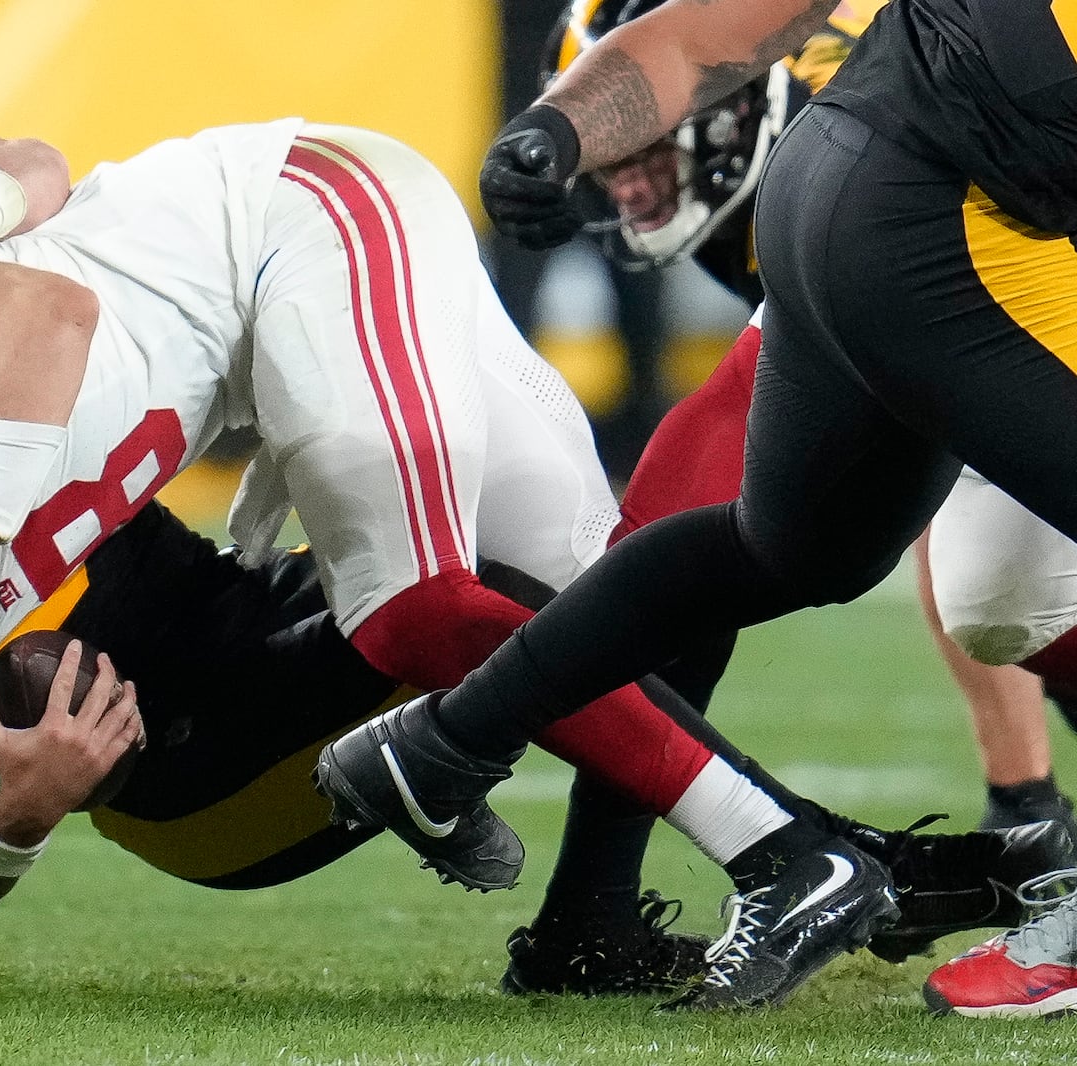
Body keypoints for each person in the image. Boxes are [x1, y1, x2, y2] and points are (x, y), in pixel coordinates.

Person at [0, 118, 1066, 1009]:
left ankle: (792, 851)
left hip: (298, 216)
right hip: (273, 331)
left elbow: (29, 240)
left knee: (418, 597)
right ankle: (606, 922)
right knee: (592, 597)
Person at [0, 168, 706, 990]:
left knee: (582, 581)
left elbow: (30, 181)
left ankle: (551, 871)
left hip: (209, 598)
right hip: (175, 755)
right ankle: (488, 771)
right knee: (40, 671)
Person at [317, 0, 1077, 1012]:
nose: (629, 182)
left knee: (888, 566)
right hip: (950, 224)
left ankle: (448, 742)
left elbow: (703, 28)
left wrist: (556, 128)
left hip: (838, 190)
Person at [547, 0, 1077, 842]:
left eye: (641, 148)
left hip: (1001, 253)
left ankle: (1029, 812)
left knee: (989, 568)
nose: (630, 186)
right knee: (987, 580)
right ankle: (1030, 813)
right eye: (612, 161)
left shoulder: (833, 98)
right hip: (948, 264)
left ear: (733, 110)